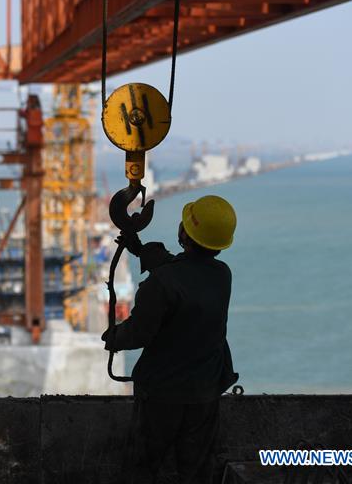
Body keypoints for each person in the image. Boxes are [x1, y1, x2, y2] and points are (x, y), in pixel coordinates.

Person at [101, 194, 240, 484]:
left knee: (142, 468)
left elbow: (140, 331)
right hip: (205, 390)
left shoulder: (161, 283)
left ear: (184, 232)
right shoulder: (222, 275)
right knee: (197, 470)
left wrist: (114, 337)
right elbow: (186, 276)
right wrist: (143, 252)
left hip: (162, 394)